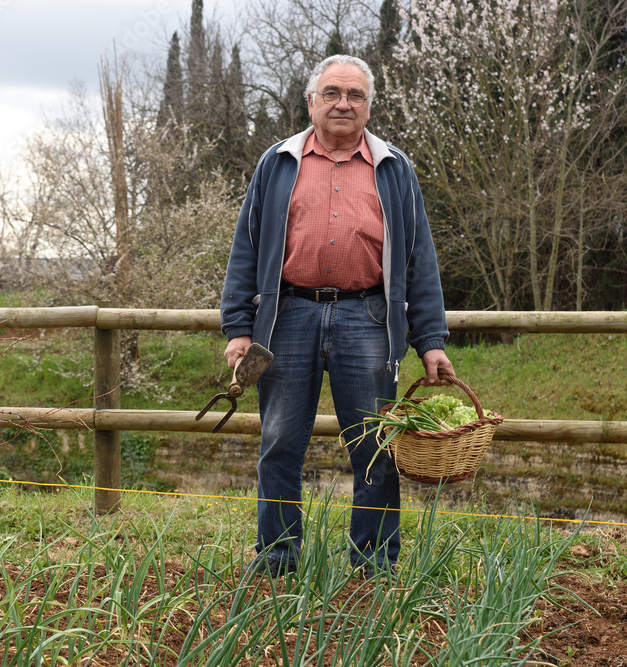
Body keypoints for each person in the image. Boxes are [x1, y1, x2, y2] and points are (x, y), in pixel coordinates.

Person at [220, 54, 455, 578]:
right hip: (287, 316)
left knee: (374, 446)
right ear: (311, 102)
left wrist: (431, 339)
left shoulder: (395, 167)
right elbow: (246, 250)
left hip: (368, 317)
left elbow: (419, 259)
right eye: (332, 94)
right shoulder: (277, 162)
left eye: (355, 95)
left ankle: (373, 564)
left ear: (369, 106)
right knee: (279, 440)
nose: (343, 103)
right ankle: (277, 558)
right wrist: (238, 329)